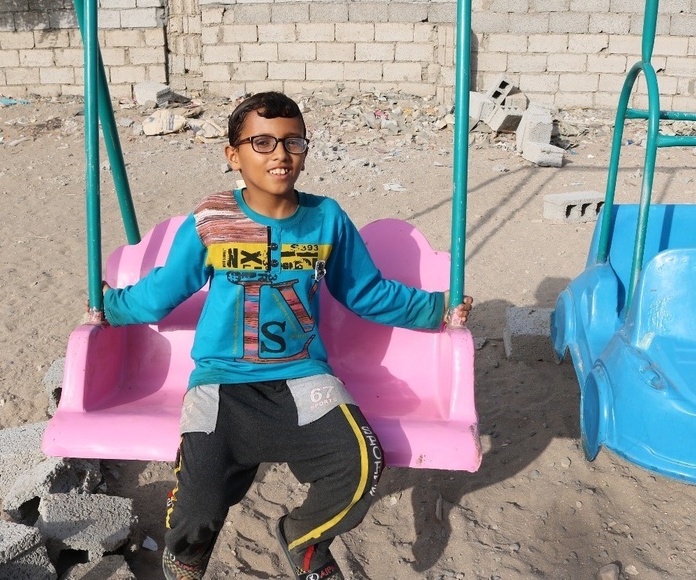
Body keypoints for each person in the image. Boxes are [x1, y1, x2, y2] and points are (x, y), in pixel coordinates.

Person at [102, 91, 473, 580]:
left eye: (292, 141)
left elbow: (365, 291)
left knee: (361, 464)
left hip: (302, 374)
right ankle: (188, 553)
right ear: (232, 155)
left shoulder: (326, 219)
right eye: (262, 142)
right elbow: (161, 294)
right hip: (222, 379)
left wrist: (437, 311)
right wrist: (109, 306)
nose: (280, 153)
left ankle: (301, 536)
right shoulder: (212, 220)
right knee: (201, 502)